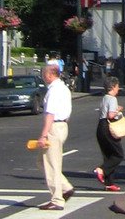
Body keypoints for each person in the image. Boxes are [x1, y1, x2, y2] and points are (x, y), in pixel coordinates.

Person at [35, 61, 75, 211]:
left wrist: (43, 135)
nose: (43, 76)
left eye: (44, 74)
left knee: (51, 164)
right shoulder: (64, 88)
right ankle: (65, 187)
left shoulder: (53, 90)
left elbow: (50, 114)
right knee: (42, 162)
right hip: (63, 125)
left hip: (54, 127)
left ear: (51, 74)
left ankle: (57, 199)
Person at [93, 74, 125, 193]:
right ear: (112, 87)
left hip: (100, 127)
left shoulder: (104, 98)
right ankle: (101, 170)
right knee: (118, 154)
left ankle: (109, 183)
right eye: (117, 87)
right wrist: (118, 109)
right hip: (107, 127)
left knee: (108, 155)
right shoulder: (112, 99)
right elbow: (110, 115)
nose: (118, 89)